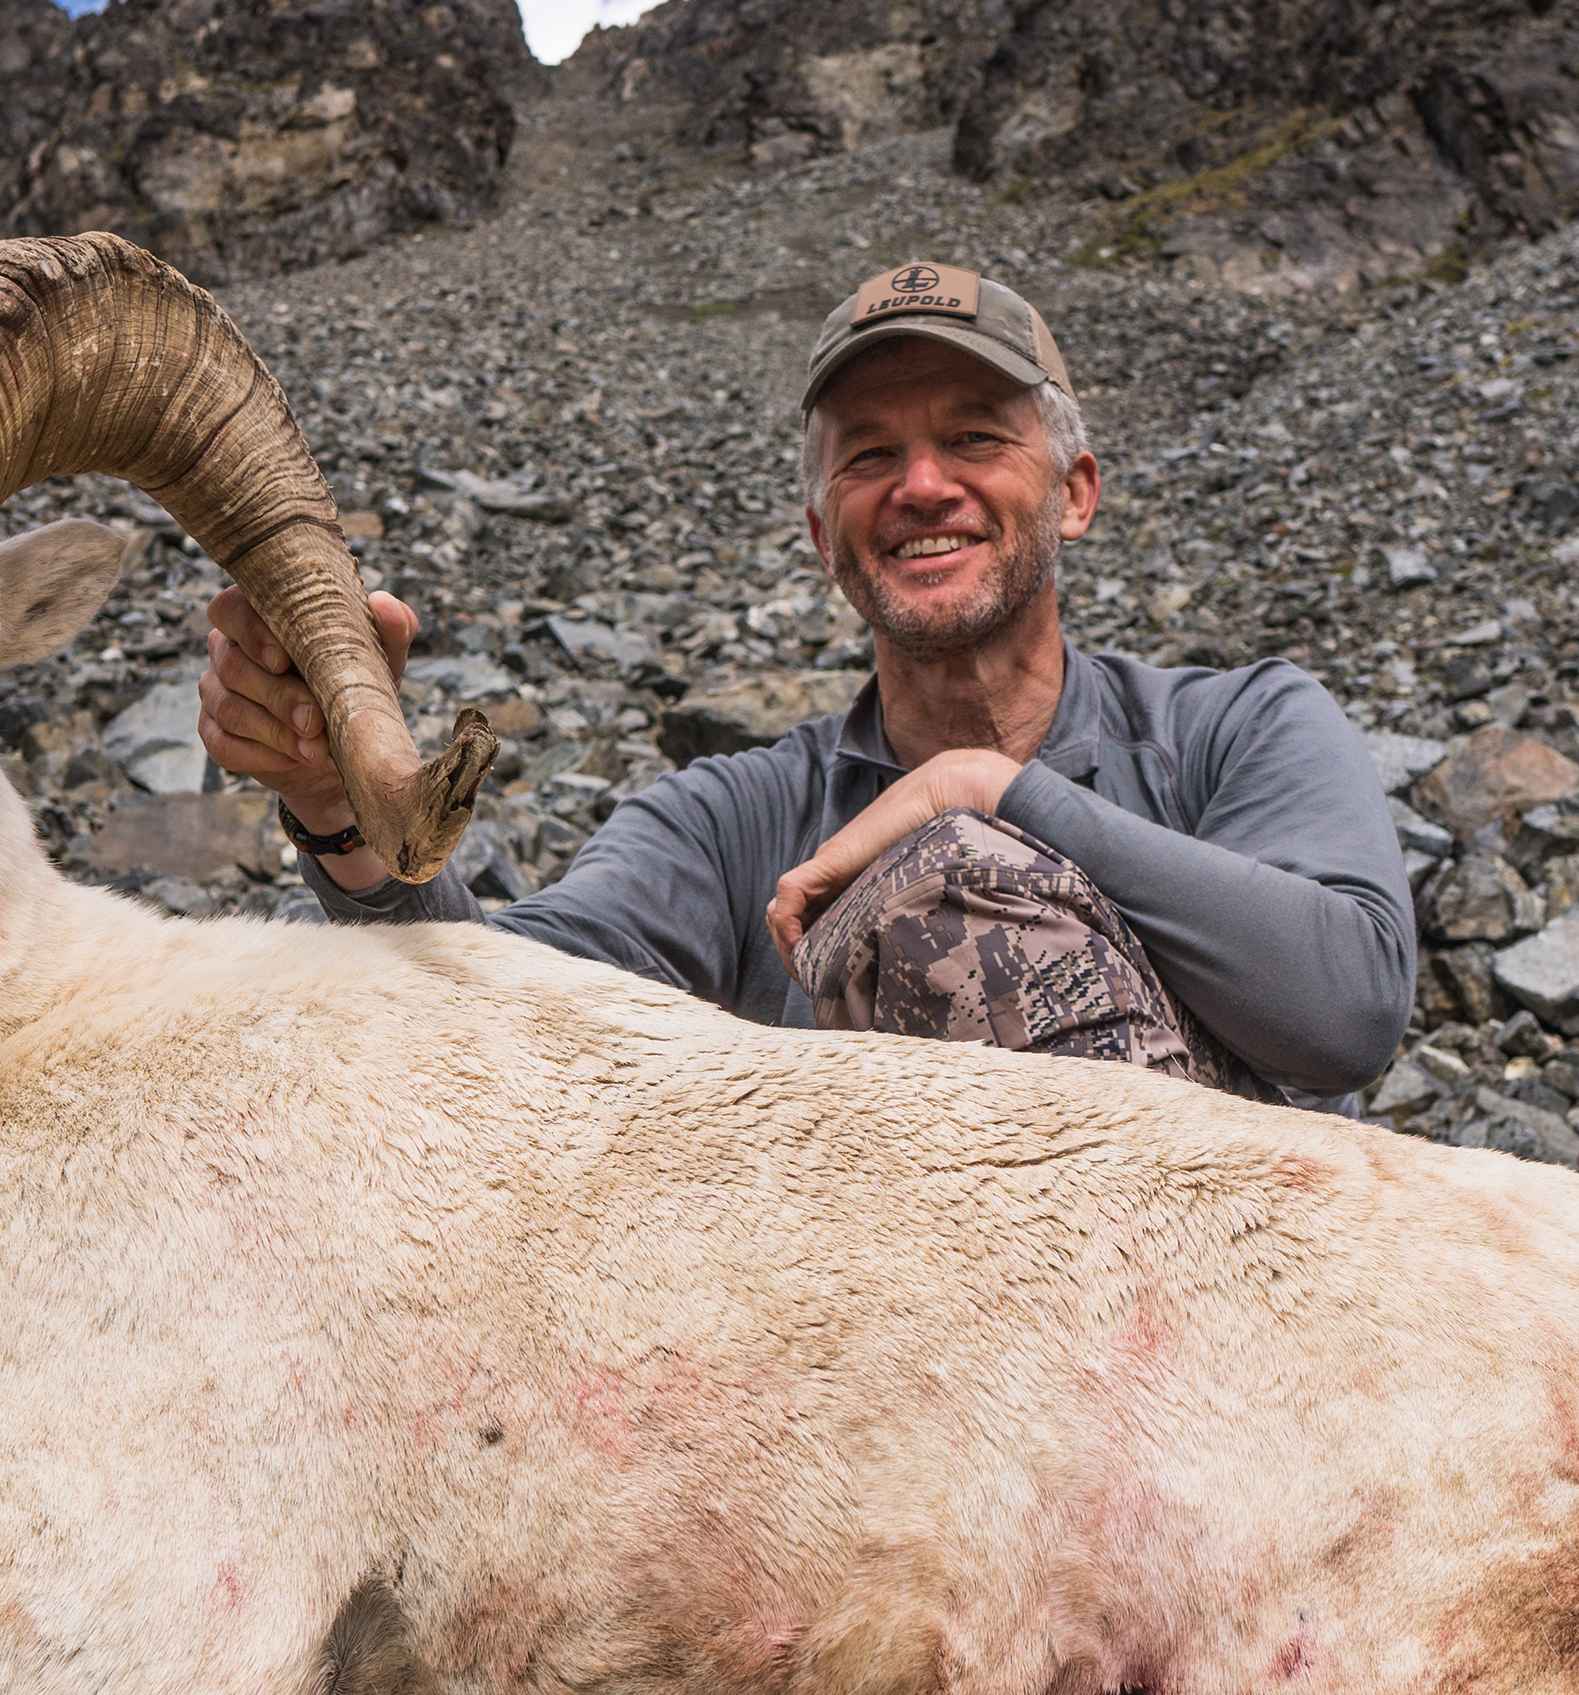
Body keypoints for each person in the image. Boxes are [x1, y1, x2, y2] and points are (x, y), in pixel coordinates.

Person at [196, 260, 1415, 1102]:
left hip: (1250, 1375)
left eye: (977, 438)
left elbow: (1346, 1013)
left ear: (1075, 492)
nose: (922, 485)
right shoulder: (728, 821)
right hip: (910, 1406)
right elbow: (495, 1015)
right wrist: (336, 807)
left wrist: (988, 793)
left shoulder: (1239, 728)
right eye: (870, 456)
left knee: (952, 883)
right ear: (823, 536)